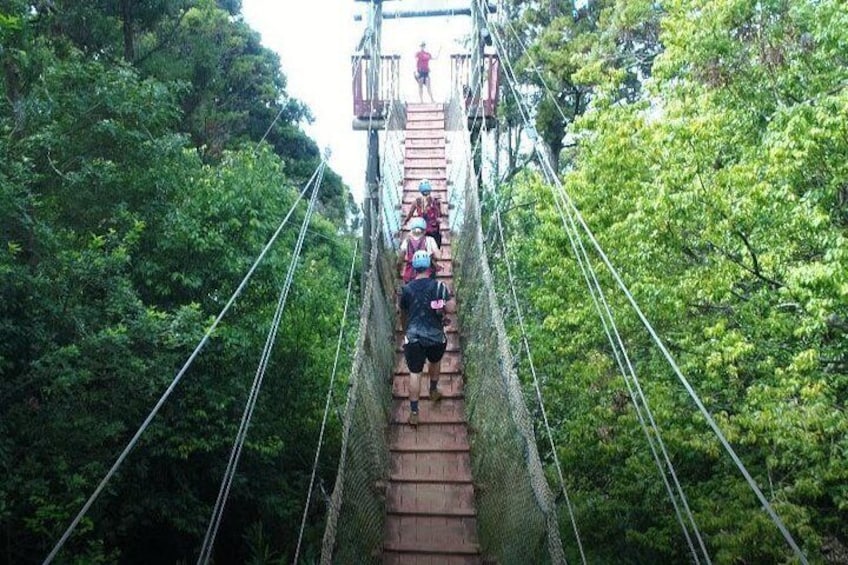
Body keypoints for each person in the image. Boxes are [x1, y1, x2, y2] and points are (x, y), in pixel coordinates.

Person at [400, 250, 452, 426]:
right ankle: (433, 391)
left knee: (415, 374)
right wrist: (442, 305)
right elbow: (451, 308)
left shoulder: (406, 290)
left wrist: (406, 330)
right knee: (435, 362)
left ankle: (414, 413)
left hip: (414, 337)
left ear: (414, 268)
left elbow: (404, 314)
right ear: (430, 266)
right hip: (435, 336)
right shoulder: (439, 287)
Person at [402, 178, 443, 248]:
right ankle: (435, 255)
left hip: (422, 229)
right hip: (434, 231)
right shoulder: (435, 201)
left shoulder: (416, 202)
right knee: (436, 245)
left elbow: (410, 214)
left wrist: (405, 221)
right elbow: (440, 214)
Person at [397, 217, 439, 284]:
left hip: (410, 276)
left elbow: (400, 259)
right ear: (425, 231)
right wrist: (431, 256)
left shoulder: (406, 241)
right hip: (426, 275)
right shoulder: (430, 240)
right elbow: (438, 256)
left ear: (411, 230)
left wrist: (398, 272)